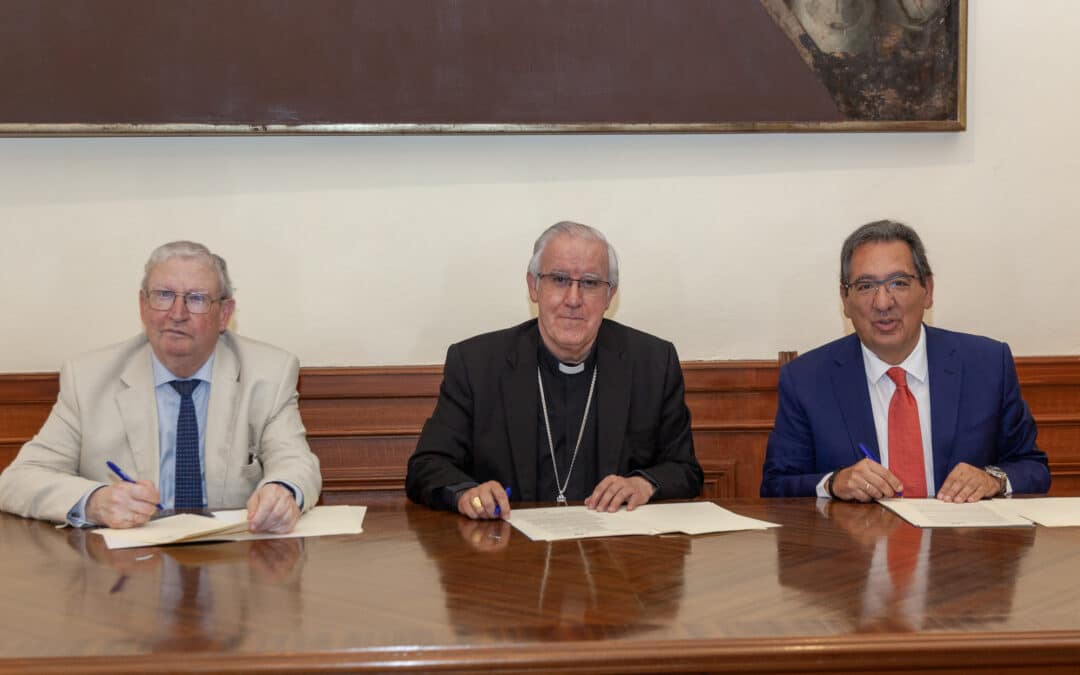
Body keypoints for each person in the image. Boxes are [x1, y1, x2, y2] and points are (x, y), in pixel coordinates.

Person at [0, 241, 321, 533]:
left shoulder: (268, 373)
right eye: (164, 295)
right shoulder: (88, 379)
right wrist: (95, 502)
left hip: (232, 571)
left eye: (196, 299)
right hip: (124, 574)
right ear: (143, 305)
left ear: (224, 314)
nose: (176, 314)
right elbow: (16, 481)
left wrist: (282, 490)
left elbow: (295, 461)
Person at [406, 221, 703, 519]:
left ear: (609, 296)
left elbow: (684, 469)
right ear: (534, 286)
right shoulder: (476, 364)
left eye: (589, 283)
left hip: (615, 554)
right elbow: (428, 465)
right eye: (559, 279)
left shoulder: (652, 363)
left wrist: (644, 484)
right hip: (508, 553)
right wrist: (466, 493)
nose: (573, 300)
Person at [761, 220, 1049, 502]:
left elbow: (1032, 468)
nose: (883, 303)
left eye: (898, 283)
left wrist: (993, 479)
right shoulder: (806, 380)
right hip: (855, 548)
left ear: (928, 291)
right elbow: (776, 485)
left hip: (962, 546)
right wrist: (833, 483)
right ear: (845, 300)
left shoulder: (986, 365)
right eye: (864, 286)